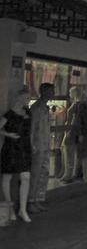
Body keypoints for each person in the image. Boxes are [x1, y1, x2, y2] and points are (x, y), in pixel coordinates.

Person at [1, 89, 33, 222]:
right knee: (7, 176)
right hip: (12, 147)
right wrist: (8, 134)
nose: (28, 101)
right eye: (26, 98)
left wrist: (32, 144)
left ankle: (22, 209)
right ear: (19, 98)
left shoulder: (28, 113)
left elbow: (29, 130)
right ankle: (9, 207)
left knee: (26, 176)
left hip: (24, 147)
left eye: (29, 98)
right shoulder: (9, 114)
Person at [28, 83, 54, 214]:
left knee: (44, 173)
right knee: (35, 174)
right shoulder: (36, 108)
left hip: (45, 145)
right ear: (43, 92)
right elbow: (32, 129)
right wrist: (32, 145)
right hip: (38, 146)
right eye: (50, 91)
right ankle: (31, 201)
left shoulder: (45, 108)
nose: (52, 94)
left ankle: (38, 199)